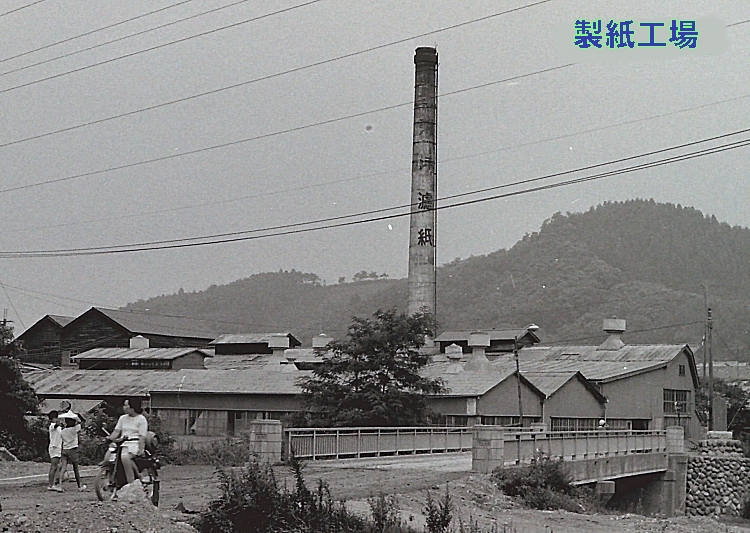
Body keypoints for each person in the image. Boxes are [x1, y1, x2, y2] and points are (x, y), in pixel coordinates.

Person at [107, 398, 148, 485]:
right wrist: (110, 438)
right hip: (122, 442)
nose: (124, 407)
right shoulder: (122, 418)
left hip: (134, 443)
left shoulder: (141, 419)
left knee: (125, 458)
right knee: (108, 456)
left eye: (126, 405)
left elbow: (142, 436)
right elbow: (117, 431)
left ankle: (131, 481)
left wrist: (141, 449)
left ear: (132, 407)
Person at [59, 416, 86, 491]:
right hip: (72, 449)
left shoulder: (63, 431)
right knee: (75, 468)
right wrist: (77, 417)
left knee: (63, 468)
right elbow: (83, 422)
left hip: (64, 449)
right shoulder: (75, 429)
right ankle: (79, 486)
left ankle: (60, 485)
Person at [47, 410, 63, 492]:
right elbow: (56, 425)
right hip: (54, 447)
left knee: (58, 466)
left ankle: (55, 481)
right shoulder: (52, 426)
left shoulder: (59, 428)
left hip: (58, 447)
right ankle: (51, 485)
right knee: (54, 466)